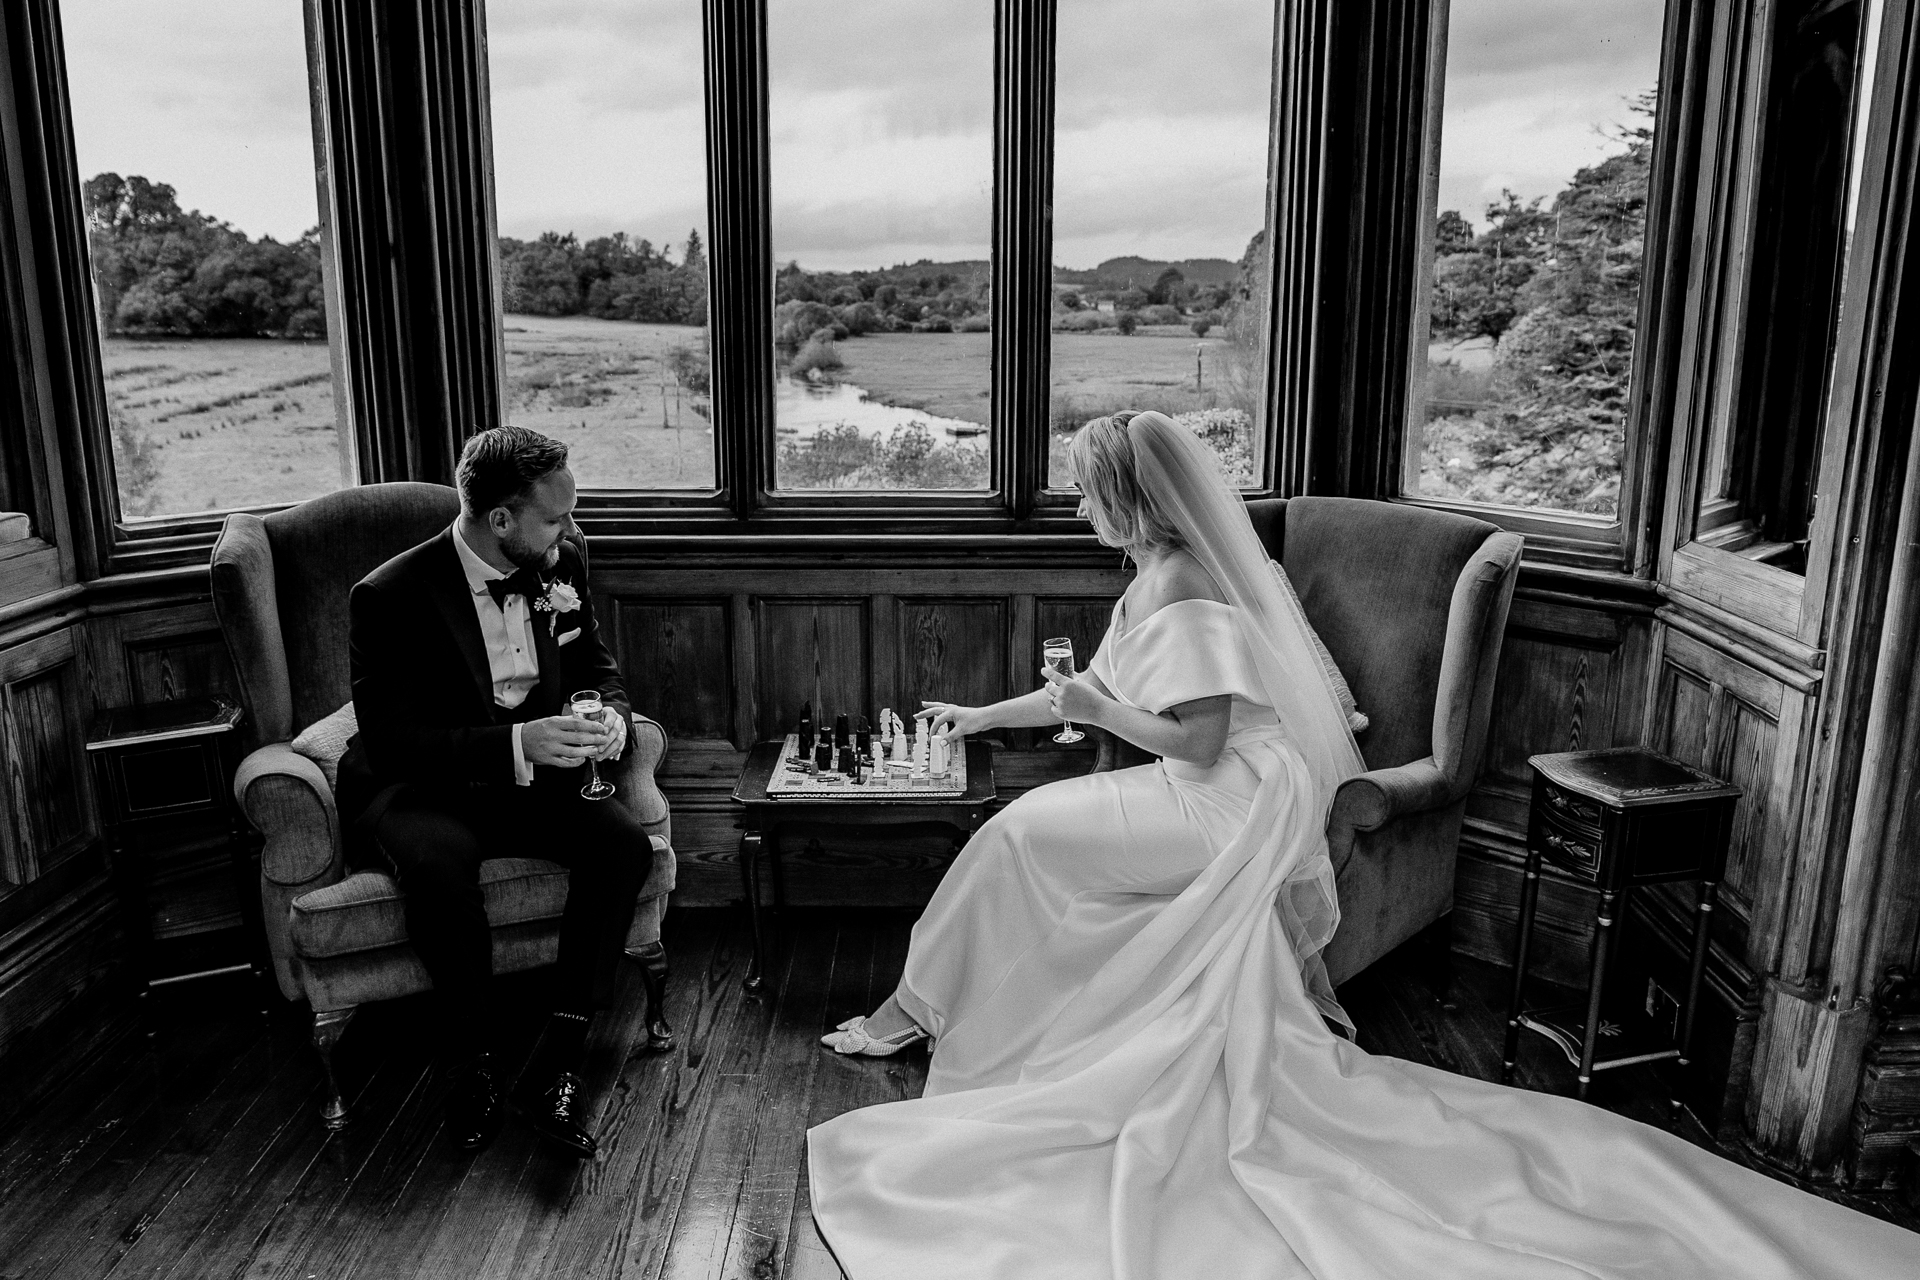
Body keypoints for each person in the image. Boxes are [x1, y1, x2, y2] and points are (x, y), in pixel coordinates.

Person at [807, 411, 1916, 1278]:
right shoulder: (1152, 573)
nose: (1079, 509)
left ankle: (924, 1008)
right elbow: (1083, 691)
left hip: (1224, 799)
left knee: (1012, 837)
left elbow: (1188, 743)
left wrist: (1095, 719)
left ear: (1126, 496)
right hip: (1211, 779)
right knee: (1019, 838)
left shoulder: (1185, 581)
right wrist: (980, 718)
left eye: (1088, 492)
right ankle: (967, 1007)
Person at [335, 426, 653, 1158]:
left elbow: (594, 666)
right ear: (501, 519)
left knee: (622, 847)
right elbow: (393, 741)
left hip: (531, 780)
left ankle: (559, 1060)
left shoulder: (559, 561)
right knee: (441, 871)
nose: (569, 531)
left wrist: (611, 717)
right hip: (423, 786)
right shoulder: (389, 596)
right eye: (554, 518)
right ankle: (473, 1063)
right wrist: (516, 743)